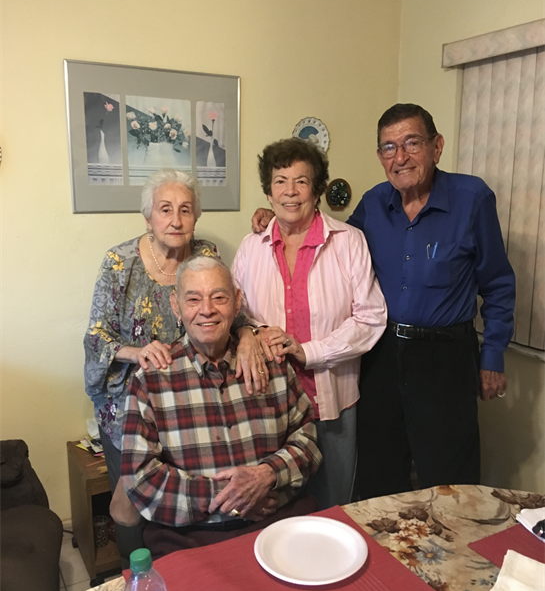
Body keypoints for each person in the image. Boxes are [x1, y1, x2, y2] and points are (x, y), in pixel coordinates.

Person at [252, 106, 516, 499]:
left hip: (444, 355)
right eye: (389, 147)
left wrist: (492, 356)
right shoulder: (374, 204)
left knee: (449, 472)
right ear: (380, 157)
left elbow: (497, 282)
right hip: (382, 353)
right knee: (379, 467)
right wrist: (277, 216)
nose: (400, 156)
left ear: (436, 146)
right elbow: (329, 238)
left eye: (412, 143)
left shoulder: (472, 198)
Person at [111, 254, 322, 554]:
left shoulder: (271, 363)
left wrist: (268, 475)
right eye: (193, 299)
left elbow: (308, 439)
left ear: (237, 302)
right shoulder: (151, 379)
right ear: (176, 306)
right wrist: (234, 496)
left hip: (279, 523)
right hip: (192, 537)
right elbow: (141, 479)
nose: (206, 310)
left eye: (219, 297)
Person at [84, 168, 268, 498]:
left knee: (187, 499)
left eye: (185, 210)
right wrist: (136, 353)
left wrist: (249, 336)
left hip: (190, 410)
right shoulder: (120, 263)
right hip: (132, 409)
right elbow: (97, 336)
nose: (176, 220)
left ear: (195, 217)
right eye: (165, 209)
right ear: (148, 216)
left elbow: (228, 310)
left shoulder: (206, 255)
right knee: (136, 506)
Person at [234, 138, 387, 509]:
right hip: (269, 405)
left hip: (330, 400)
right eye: (280, 181)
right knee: (275, 510)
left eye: (301, 181)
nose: (290, 192)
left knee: (334, 508)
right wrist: (250, 333)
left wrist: (310, 351)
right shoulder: (250, 247)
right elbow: (235, 312)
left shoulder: (349, 242)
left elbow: (371, 315)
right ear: (268, 192)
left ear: (316, 190)